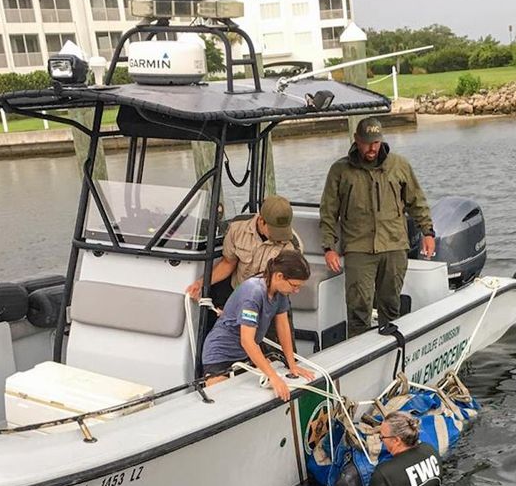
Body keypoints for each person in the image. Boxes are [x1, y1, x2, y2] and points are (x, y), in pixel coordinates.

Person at [319, 117, 436, 337]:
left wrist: (427, 232)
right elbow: (328, 212)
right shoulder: (340, 170)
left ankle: (391, 348)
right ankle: (358, 350)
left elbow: (417, 202)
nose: (372, 148)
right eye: (366, 143)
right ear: (356, 140)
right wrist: (328, 247)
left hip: (394, 245)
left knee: (391, 305)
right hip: (358, 248)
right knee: (358, 309)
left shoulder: (399, 165)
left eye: (375, 142)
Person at [201, 250, 314, 401]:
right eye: (294, 285)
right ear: (279, 276)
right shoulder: (253, 293)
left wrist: (292, 364)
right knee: (222, 398)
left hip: (244, 354)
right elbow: (247, 341)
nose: (296, 290)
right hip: (220, 354)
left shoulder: (281, 292)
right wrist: (273, 376)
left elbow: (283, 327)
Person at [186, 194, 298, 301]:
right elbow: (228, 263)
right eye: (274, 230)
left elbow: (287, 283)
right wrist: (200, 284)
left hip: (270, 298)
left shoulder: (292, 246)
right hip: (237, 292)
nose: (279, 236)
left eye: (282, 230)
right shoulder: (237, 228)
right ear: (261, 220)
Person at [363, 411, 442, 486]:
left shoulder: (384, 473)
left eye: (382, 437)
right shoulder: (430, 450)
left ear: (396, 440)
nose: (381, 440)